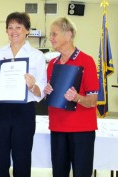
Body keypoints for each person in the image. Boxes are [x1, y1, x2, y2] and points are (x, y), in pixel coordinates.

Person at [0, 12, 47, 177]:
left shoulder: (37, 56)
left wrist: (32, 86)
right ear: (6, 30)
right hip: (1, 110)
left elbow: (40, 90)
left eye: (18, 27)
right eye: (10, 27)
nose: (14, 31)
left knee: (22, 158)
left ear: (27, 30)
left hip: (24, 112)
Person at [44, 17, 99, 177]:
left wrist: (77, 98)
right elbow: (51, 96)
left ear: (68, 35)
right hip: (57, 127)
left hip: (81, 129)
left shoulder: (86, 61)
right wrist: (47, 91)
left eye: (54, 34)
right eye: (50, 34)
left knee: (81, 173)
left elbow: (93, 100)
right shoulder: (53, 64)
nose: (51, 38)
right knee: (59, 173)